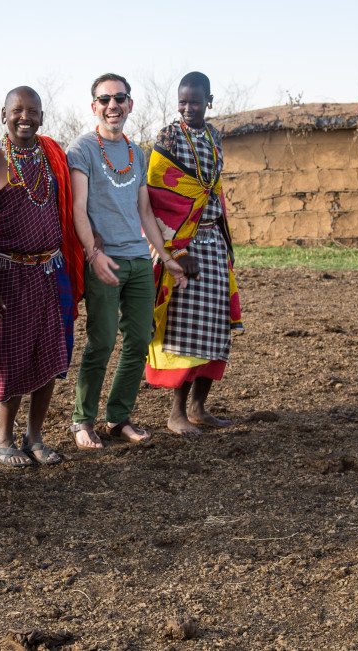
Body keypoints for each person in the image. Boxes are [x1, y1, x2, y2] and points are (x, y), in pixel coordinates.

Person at [67, 73, 188, 449]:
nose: (112, 105)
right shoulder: (82, 149)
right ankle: (82, 421)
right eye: (104, 100)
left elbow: (144, 211)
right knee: (101, 342)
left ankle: (119, 417)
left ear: (130, 104)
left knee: (139, 340)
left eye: (119, 98)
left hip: (137, 260)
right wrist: (94, 253)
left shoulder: (138, 153)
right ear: (94, 107)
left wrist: (165, 257)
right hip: (105, 260)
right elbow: (78, 207)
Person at [0, 86, 84, 466]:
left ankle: (35, 436)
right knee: (10, 358)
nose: (26, 117)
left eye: (33, 111)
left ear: (42, 115)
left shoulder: (52, 156)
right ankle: (2, 437)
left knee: (50, 355)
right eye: (17, 110)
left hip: (51, 270)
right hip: (9, 275)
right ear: (3, 114)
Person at [145, 72, 244, 437]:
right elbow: (159, 196)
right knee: (184, 330)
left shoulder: (215, 136)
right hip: (182, 247)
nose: (188, 108)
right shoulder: (168, 137)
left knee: (216, 329)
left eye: (196, 102)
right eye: (182, 102)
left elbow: (211, 191)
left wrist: (226, 245)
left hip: (214, 245)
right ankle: (176, 413)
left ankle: (200, 408)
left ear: (209, 101)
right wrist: (177, 249)